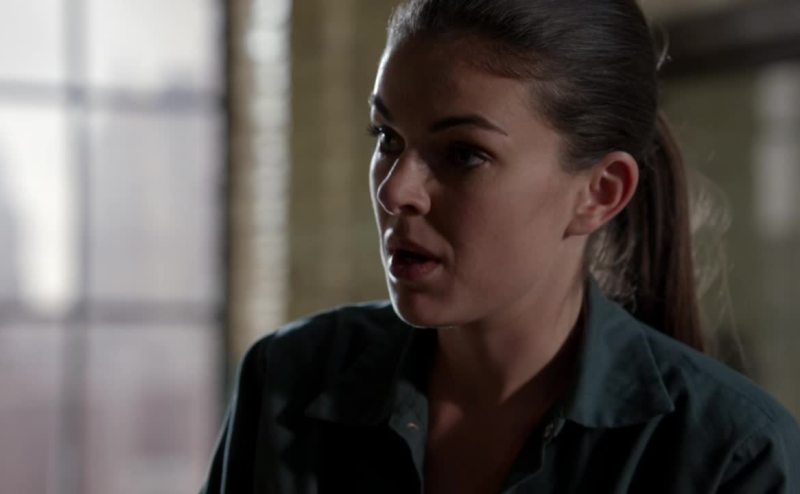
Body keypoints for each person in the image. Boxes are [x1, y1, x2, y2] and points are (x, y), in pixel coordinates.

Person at [201, 0, 800, 492]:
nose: (396, 190)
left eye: (464, 154)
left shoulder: (731, 456)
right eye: (387, 137)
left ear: (599, 192)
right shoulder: (288, 382)